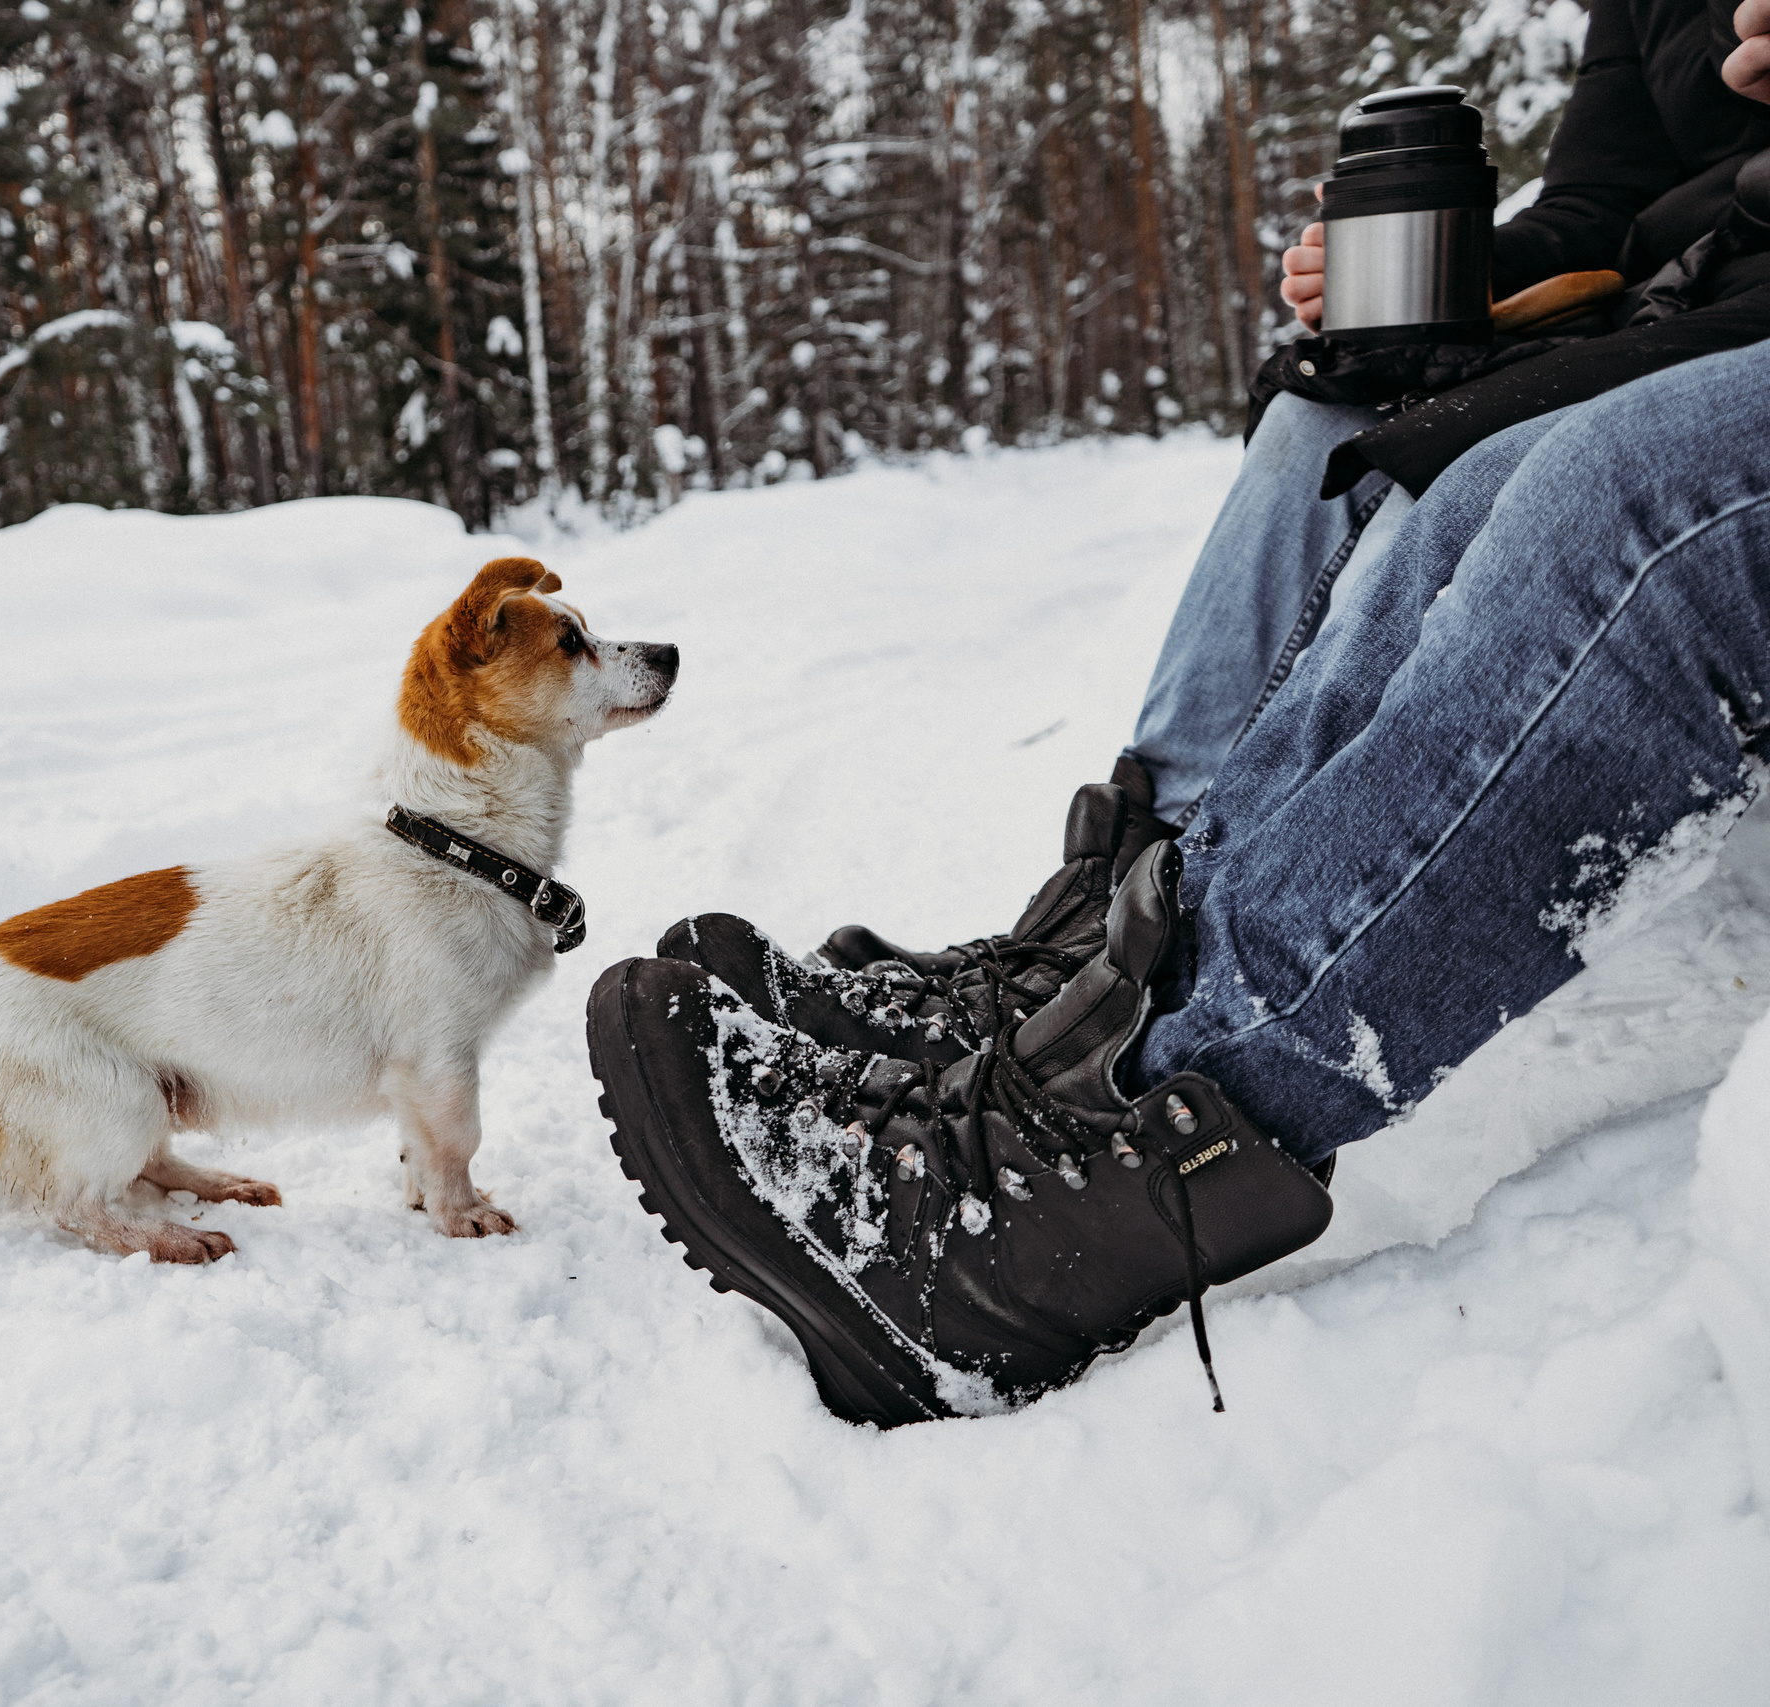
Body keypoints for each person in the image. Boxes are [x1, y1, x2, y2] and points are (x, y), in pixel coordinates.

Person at [583, 0, 1770, 1427]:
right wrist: (1411, 277)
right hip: (1708, 295)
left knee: (1589, 497)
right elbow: (1603, 205)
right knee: (1329, 417)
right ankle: (1090, 959)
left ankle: (1089, 1173)